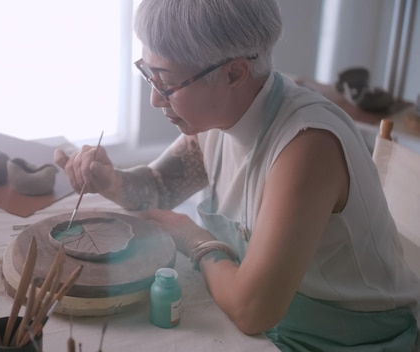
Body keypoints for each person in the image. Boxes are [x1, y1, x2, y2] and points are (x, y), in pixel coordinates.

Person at [54, 0, 420, 350]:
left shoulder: (307, 147)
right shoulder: (227, 111)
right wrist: (110, 179)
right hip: (275, 321)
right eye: (149, 73)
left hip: (344, 339)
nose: (154, 98)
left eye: (165, 81)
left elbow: (252, 310)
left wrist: (192, 236)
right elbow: (158, 188)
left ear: (233, 73)